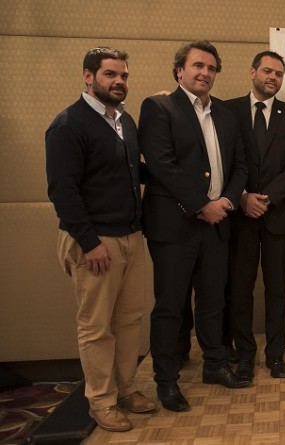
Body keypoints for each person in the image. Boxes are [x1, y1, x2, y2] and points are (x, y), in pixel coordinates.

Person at [45, 46, 156, 432]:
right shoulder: (68, 125)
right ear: (88, 76)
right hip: (95, 241)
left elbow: (132, 171)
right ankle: (102, 401)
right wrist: (89, 242)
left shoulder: (124, 120)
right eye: (110, 74)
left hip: (130, 236)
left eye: (123, 75)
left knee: (129, 320)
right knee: (96, 327)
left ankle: (126, 388)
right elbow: (62, 190)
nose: (119, 81)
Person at [139, 40, 250, 412]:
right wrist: (202, 205)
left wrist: (227, 202)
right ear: (179, 71)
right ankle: (166, 380)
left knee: (213, 301)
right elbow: (161, 164)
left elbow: (240, 167)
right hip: (175, 225)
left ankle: (215, 365)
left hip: (218, 223)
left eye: (211, 68)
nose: (205, 73)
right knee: (170, 306)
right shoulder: (158, 107)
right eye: (198, 66)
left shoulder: (225, 114)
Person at [223, 51, 285, 380]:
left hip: (277, 217)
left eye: (279, 73)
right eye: (267, 71)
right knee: (240, 291)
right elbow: (222, 160)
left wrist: (267, 198)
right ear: (252, 72)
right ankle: (245, 355)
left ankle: (275, 356)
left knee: (276, 291)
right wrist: (243, 197)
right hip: (240, 216)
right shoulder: (227, 111)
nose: (273, 77)